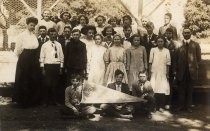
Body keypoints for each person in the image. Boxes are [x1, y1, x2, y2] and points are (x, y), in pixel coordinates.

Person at [13, 17, 41, 107]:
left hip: (33, 59)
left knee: (33, 78)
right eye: (31, 25)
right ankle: (22, 101)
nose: (32, 27)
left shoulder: (34, 36)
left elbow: (36, 47)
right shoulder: (21, 35)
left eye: (34, 26)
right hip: (25, 58)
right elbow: (18, 49)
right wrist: (22, 59)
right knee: (23, 78)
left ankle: (31, 101)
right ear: (27, 25)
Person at [173, 27, 201, 113]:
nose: (187, 34)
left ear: (191, 34)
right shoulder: (178, 45)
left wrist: (194, 67)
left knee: (189, 89)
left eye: (188, 32)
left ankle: (188, 107)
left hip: (191, 71)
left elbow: (199, 58)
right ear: (182, 34)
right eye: (185, 33)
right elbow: (175, 59)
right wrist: (175, 70)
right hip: (181, 71)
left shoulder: (195, 45)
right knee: (181, 89)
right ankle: (181, 106)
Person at [39, 28, 64, 106]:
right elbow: (42, 57)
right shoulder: (45, 45)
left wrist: (61, 67)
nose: (53, 36)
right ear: (48, 35)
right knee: (47, 84)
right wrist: (43, 68)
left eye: (54, 34)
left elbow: (61, 56)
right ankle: (45, 101)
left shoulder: (59, 44)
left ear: (56, 34)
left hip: (56, 66)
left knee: (55, 84)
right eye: (51, 34)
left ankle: (55, 101)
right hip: (48, 66)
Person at [149, 36, 171, 112]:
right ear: (156, 42)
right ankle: (154, 106)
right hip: (154, 72)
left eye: (162, 41)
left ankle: (161, 106)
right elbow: (150, 62)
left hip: (163, 72)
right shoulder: (153, 50)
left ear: (164, 42)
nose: (160, 43)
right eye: (158, 41)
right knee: (154, 89)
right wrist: (150, 72)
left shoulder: (167, 51)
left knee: (162, 89)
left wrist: (167, 73)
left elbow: (168, 63)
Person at [164, 28, 178, 109]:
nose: (168, 34)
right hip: (163, 67)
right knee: (162, 85)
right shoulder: (162, 42)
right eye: (167, 33)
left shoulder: (175, 44)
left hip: (171, 68)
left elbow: (176, 58)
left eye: (170, 33)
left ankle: (169, 103)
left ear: (172, 34)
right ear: (165, 34)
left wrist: (174, 70)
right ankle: (163, 102)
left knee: (170, 86)